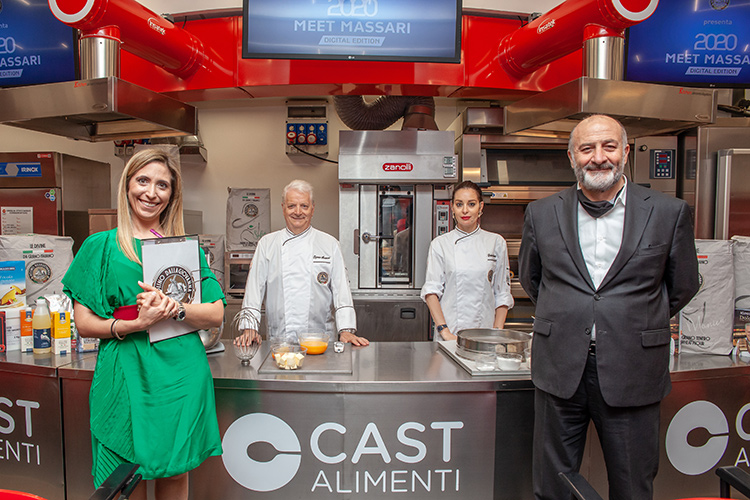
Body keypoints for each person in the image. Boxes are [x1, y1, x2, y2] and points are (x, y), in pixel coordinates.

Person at [518, 115, 699, 499]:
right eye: (587, 149)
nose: (598, 158)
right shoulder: (541, 213)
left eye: (609, 146)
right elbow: (533, 280)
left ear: (626, 152)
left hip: (633, 369)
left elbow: (682, 286)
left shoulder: (669, 213)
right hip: (560, 367)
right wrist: (574, 315)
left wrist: (628, 321)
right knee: (553, 485)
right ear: (572, 156)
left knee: (632, 485)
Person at [62, 149, 225, 500]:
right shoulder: (100, 247)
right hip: (126, 373)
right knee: (126, 480)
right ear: (127, 185)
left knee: (174, 473)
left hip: (181, 376)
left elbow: (214, 313)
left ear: (172, 195)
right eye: (143, 181)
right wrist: (135, 323)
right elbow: (84, 323)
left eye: (162, 185)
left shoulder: (183, 250)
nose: (151, 192)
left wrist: (176, 308)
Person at [240, 179, 368, 346]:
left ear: (312, 209)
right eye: (292, 205)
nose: (298, 212)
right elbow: (254, 289)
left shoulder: (329, 244)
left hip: (321, 342)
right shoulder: (267, 244)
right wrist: (249, 327)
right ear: (283, 208)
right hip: (280, 341)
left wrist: (346, 329)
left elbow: (341, 290)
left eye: (304, 206)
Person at [421, 180, 513, 341]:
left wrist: (497, 332)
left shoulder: (496, 242)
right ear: (452, 208)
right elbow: (431, 292)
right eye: (459, 204)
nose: (465, 210)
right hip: (450, 336)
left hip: (485, 336)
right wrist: (445, 331)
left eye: (471, 204)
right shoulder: (440, 244)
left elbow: (502, 292)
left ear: (481, 207)